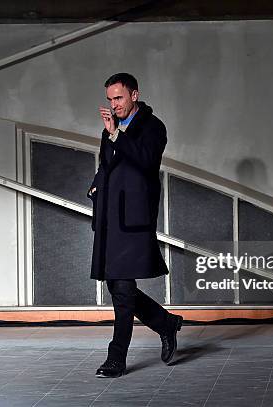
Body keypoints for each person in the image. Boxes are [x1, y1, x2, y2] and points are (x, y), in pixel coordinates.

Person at [87, 73, 183, 378]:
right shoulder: (110, 130)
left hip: (134, 219)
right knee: (117, 285)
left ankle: (116, 358)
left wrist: (116, 135)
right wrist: (96, 186)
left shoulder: (153, 127)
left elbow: (144, 160)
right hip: (109, 217)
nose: (113, 105)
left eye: (119, 98)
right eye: (110, 99)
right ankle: (165, 323)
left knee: (124, 286)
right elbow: (107, 166)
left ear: (134, 95)